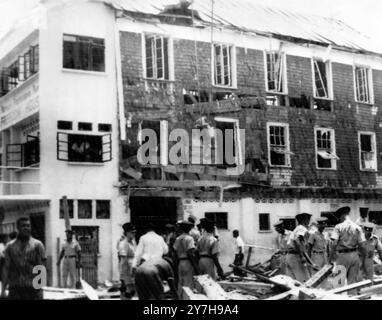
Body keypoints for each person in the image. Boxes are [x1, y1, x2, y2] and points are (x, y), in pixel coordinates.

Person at [1, 217, 46, 300]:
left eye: (28, 226)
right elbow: (6, 268)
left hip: (33, 288)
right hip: (15, 289)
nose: (26, 228)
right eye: (23, 226)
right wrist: (3, 289)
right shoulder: (10, 246)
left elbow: (42, 267)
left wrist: (40, 290)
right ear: (17, 228)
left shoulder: (38, 245)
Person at [329, 206, 366, 286]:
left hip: (342, 256)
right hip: (354, 255)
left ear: (342, 216)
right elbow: (362, 245)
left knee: (338, 283)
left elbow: (334, 243)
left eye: (339, 218)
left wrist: (330, 259)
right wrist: (362, 258)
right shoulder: (358, 227)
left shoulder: (338, 227)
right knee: (352, 283)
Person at [285, 213, 314, 283]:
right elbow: (297, 241)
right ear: (304, 220)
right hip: (296, 256)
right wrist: (301, 256)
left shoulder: (296, 229)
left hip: (290, 256)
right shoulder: (302, 228)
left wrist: (311, 262)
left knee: (292, 281)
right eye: (308, 219)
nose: (309, 221)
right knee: (304, 279)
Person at [173, 221, 199, 295]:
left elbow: (174, 251)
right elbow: (190, 253)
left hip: (180, 262)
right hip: (188, 262)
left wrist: (176, 263)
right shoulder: (189, 238)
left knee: (180, 282)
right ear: (189, 229)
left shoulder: (178, 238)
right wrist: (195, 265)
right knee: (188, 283)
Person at [118, 223, 137, 299]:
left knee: (132, 292)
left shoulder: (133, 242)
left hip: (132, 271)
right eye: (132, 232)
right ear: (127, 233)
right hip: (127, 272)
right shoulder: (123, 244)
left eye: (135, 232)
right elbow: (123, 261)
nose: (134, 234)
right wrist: (122, 276)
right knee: (126, 293)